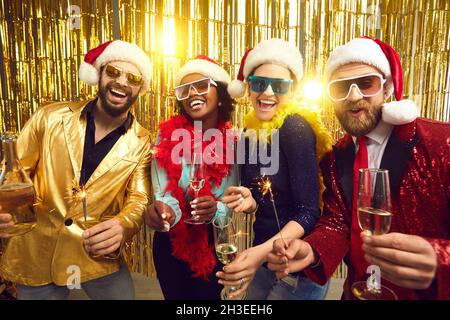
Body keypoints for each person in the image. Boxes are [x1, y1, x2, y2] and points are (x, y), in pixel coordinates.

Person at [267, 37, 450, 300]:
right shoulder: (335, 158)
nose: (353, 97)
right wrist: (312, 250)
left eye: (366, 83)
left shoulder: (441, 143)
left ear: (386, 88)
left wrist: (440, 259)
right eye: (340, 87)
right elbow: (337, 222)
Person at [0, 40, 153, 300]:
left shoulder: (143, 142)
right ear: (99, 74)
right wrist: (4, 208)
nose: (122, 82)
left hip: (97, 253)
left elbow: (139, 199)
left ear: (140, 88)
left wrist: (123, 225)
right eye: (114, 72)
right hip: (38, 251)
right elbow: (14, 171)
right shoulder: (49, 117)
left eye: (133, 77)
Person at [217, 38, 332, 299]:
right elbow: (264, 194)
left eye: (279, 85)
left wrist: (258, 254)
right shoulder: (249, 131)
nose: (267, 93)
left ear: (291, 91)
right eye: (259, 83)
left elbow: (309, 211)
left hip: (295, 264)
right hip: (264, 252)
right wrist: (250, 199)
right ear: (247, 88)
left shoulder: (295, 128)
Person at [145, 55, 238, 299]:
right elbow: (163, 191)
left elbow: (229, 200)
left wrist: (216, 208)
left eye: (202, 85)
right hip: (171, 243)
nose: (192, 94)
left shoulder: (233, 142)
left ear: (220, 93)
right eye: (185, 90)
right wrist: (168, 210)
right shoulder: (166, 135)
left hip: (213, 241)